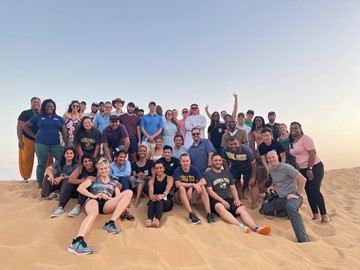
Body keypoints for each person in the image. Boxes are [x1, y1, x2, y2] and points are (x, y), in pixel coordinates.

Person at [67, 158, 133, 255]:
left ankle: (110, 223)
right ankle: (78, 242)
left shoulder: (114, 183)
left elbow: (119, 197)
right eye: (101, 169)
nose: (104, 171)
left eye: (106, 168)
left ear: (109, 169)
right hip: (93, 201)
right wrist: (94, 196)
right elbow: (80, 188)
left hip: (107, 204)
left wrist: (108, 197)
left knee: (129, 192)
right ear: (98, 170)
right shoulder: (93, 179)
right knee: (94, 213)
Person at [205, 154, 271, 235]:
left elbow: (233, 188)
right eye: (215, 160)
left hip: (228, 199)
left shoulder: (227, 173)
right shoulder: (208, 174)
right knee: (219, 207)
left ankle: (255, 227)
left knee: (242, 208)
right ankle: (240, 226)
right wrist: (222, 201)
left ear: (222, 161)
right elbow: (210, 191)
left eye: (219, 160)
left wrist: (236, 199)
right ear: (211, 162)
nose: (218, 162)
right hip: (216, 200)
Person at [260, 151, 309, 242]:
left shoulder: (287, 168)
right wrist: (271, 187)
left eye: (273, 157)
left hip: (294, 198)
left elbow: (302, 180)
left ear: (277, 157)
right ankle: (287, 213)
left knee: (290, 206)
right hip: (281, 198)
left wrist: (296, 194)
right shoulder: (270, 168)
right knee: (265, 210)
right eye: (269, 158)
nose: (271, 160)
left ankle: (303, 238)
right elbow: (275, 181)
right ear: (267, 160)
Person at [289, 121, 329, 223]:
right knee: (308, 191)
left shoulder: (305, 138)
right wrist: (298, 170)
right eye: (291, 128)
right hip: (302, 169)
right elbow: (295, 157)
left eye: (295, 128)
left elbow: (313, 152)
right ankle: (315, 215)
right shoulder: (292, 140)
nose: (293, 130)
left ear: (300, 128)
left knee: (315, 190)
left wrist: (310, 168)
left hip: (314, 167)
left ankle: (324, 216)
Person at [23, 99, 68, 188]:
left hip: (56, 144)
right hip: (41, 144)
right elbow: (25, 126)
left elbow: (64, 132)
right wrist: (34, 136)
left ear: (54, 107)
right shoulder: (38, 117)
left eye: (51, 106)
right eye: (47, 106)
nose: (49, 108)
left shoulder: (59, 118)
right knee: (41, 164)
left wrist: (66, 145)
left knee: (61, 161)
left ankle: (60, 181)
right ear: (44, 107)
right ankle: (40, 184)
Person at [173, 153, 215, 225]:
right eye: (183, 161)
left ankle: (209, 214)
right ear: (180, 162)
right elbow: (177, 184)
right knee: (182, 188)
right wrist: (192, 184)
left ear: (190, 161)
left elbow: (203, 181)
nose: (185, 163)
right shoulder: (177, 170)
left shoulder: (194, 169)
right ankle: (191, 214)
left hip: (190, 196)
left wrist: (192, 187)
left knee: (202, 187)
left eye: (187, 161)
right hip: (179, 197)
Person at [17, 97, 52, 182]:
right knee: (26, 157)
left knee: (48, 157)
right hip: (27, 138)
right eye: (34, 102)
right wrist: (20, 140)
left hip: (42, 139)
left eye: (38, 102)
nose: (36, 104)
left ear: (41, 104)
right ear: (31, 104)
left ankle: (48, 176)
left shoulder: (44, 113)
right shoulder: (25, 113)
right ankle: (25, 177)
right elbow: (19, 126)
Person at [222, 137, 258, 209]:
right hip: (235, 167)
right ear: (228, 144)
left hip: (248, 168)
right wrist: (227, 172)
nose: (233, 146)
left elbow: (253, 163)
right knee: (232, 182)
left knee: (253, 184)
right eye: (231, 144)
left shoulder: (246, 150)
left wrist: (253, 177)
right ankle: (237, 198)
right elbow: (224, 161)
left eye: (235, 144)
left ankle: (254, 204)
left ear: (239, 143)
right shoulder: (225, 149)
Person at [145, 160, 174, 228]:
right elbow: (151, 190)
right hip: (155, 201)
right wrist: (151, 195)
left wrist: (162, 195)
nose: (158, 170)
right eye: (156, 168)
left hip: (166, 201)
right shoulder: (151, 180)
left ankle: (157, 219)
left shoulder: (169, 178)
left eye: (160, 168)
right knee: (153, 200)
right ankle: (150, 219)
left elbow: (167, 190)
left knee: (159, 200)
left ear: (164, 168)